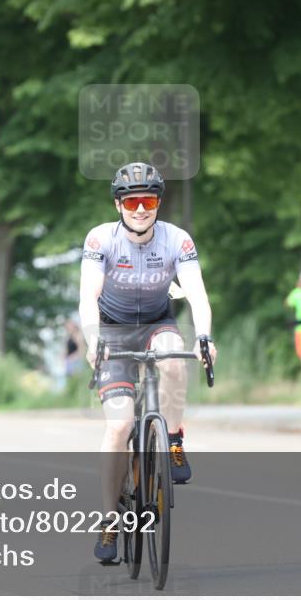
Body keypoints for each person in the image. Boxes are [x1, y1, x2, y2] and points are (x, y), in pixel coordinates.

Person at [80, 162, 217, 562]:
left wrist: (205, 336)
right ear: (119, 204)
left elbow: (197, 294)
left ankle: (173, 440)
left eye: (150, 200)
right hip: (112, 330)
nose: (141, 209)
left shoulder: (178, 240)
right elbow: (88, 294)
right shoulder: (100, 239)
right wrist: (93, 340)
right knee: (119, 426)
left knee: (174, 362)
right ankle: (108, 522)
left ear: (159, 203)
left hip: (158, 323)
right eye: (133, 201)